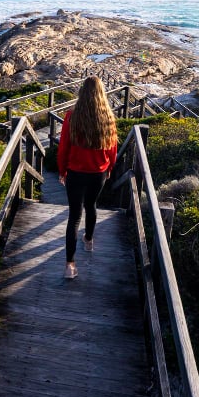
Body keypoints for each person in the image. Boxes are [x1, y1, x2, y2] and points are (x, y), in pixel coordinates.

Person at [57, 76, 118, 279]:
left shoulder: (71, 116)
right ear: (102, 93)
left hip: (75, 172)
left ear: (82, 92)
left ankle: (69, 265)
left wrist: (62, 170)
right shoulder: (108, 118)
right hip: (98, 172)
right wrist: (110, 167)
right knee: (91, 206)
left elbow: (63, 147)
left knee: (74, 216)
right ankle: (89, 240)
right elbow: (112, 148)